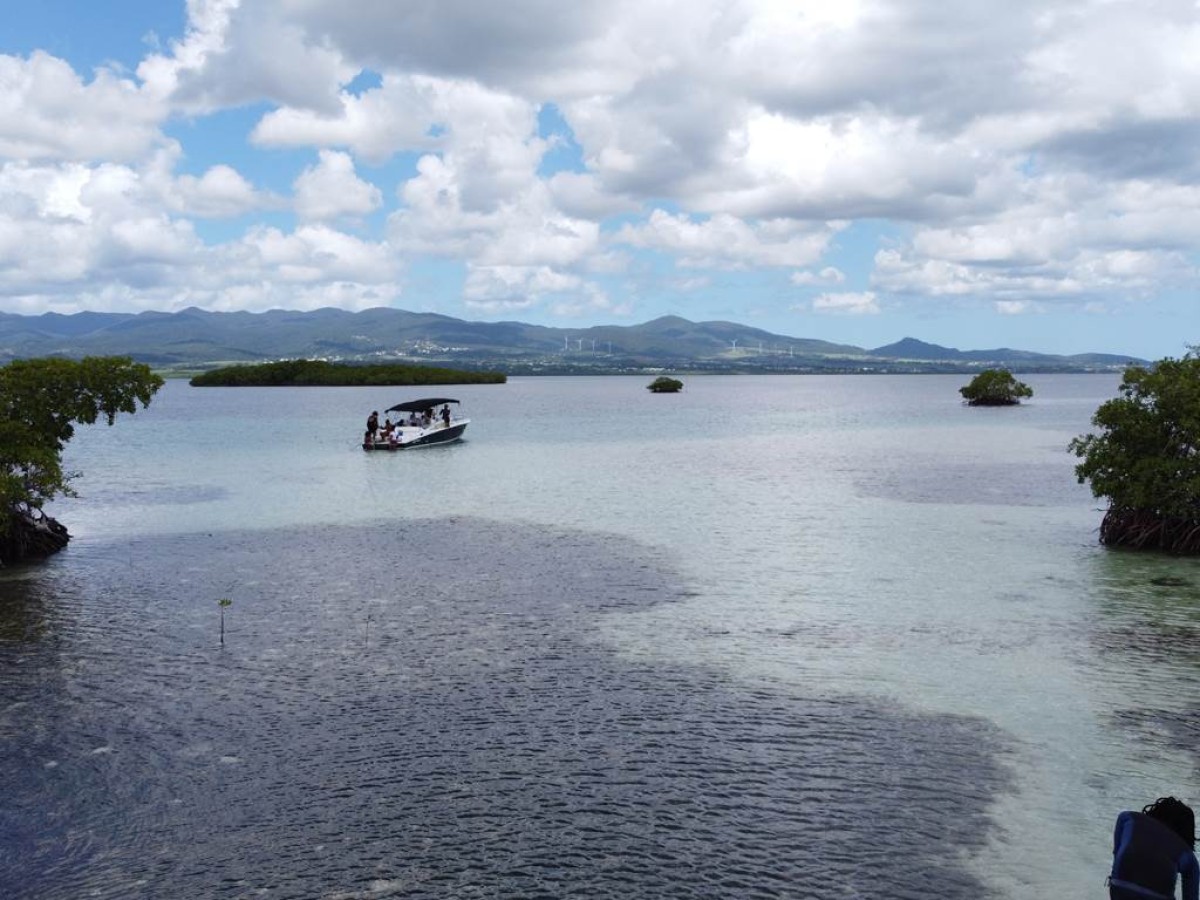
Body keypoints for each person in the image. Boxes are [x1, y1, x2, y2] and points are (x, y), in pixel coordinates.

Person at [1109, 797, 1197, 900]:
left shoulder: (1129, 818)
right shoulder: (1186, 854)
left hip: (1120, 887)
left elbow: (1117, 853)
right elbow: (1191, 897)